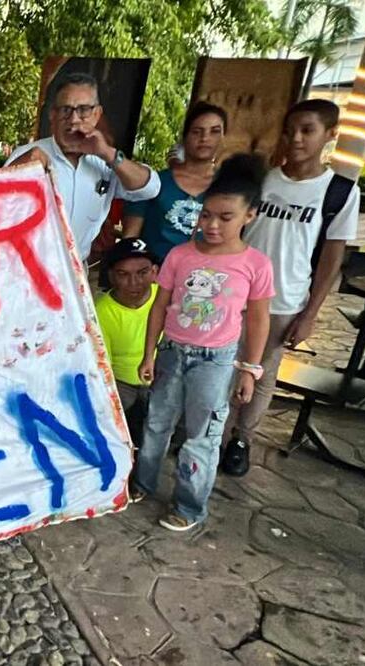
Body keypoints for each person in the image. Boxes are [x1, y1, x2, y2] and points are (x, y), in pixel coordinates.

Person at [132, 155, 274, 531]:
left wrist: (250, 369)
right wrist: (149, 353)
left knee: (202, 436)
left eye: (225, 217)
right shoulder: (180, 255)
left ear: (249, 215)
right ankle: (142, 484)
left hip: (216, 362)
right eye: (206, 215)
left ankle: (189, 506)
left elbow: (258, 319)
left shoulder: (256, 264)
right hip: (171, 352)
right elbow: (160, 306)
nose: (211, 225)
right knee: (156, 423)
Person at [220, 99, 360, 476]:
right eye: (290, 130)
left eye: (308, 130)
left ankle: (241, 439)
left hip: (284, 299)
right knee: (223, 365)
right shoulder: (263, 180)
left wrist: (310, 313)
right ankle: (216, 433)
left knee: (260, 372)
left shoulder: (339, 192)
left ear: (330, 134)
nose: (296, 138)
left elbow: (332, 256)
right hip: (237, 292)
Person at [7, 73, 160, 260]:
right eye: (65, 110)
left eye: (84, 110)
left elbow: (150, 189)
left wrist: (108, 154)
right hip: (28, 269)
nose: (73, 119)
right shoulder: (28, 155)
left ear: (97, 115)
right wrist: (18, 171)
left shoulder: (105, 163)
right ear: (52, 115)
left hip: (76, 271)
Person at [123, 102, 227, 262]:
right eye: (197, 131)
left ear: (224, 138)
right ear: (184, 137)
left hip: (204, 274)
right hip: (154, 272)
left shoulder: (228, 188)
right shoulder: (154, 183)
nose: (205, 138)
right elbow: (130, 238)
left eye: (214, 131)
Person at [94, 238, 160, 452]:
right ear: (111, 276)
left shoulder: (164, 298)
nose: (134, 282)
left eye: (142, 273)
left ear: (155, 272)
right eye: (123, 274)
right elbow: (103, 368)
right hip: (121, 384)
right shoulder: (101, 311)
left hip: (161, 379)